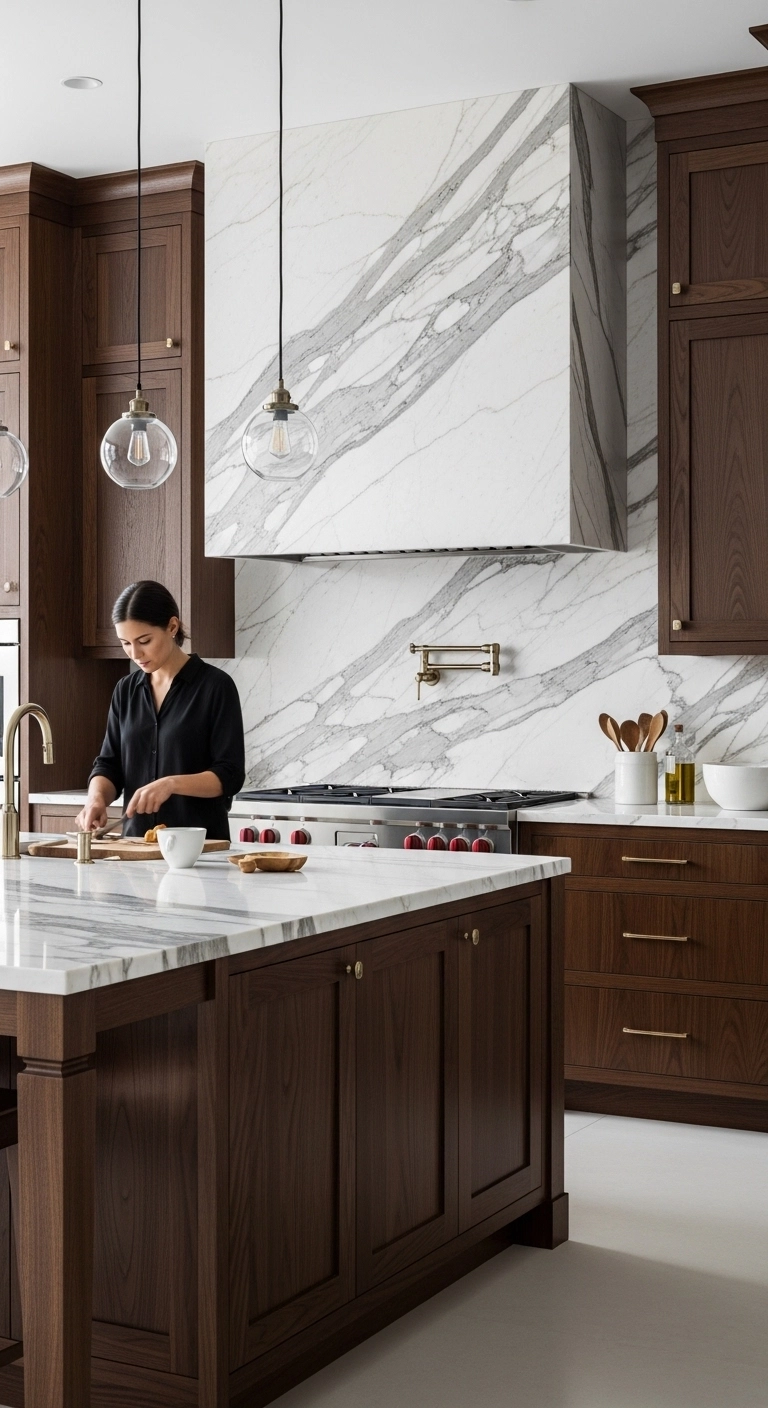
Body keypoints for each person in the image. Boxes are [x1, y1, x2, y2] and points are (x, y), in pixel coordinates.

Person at [77, 580, 245, 840]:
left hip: (199, 851)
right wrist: (96, 799)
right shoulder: (125, 690)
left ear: (172, 627)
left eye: (144, 640)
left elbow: (230, 775)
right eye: (126, 643)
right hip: (136, 846)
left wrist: (171, 784)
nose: (135, 653)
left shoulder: (216, 686)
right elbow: (109, 765)